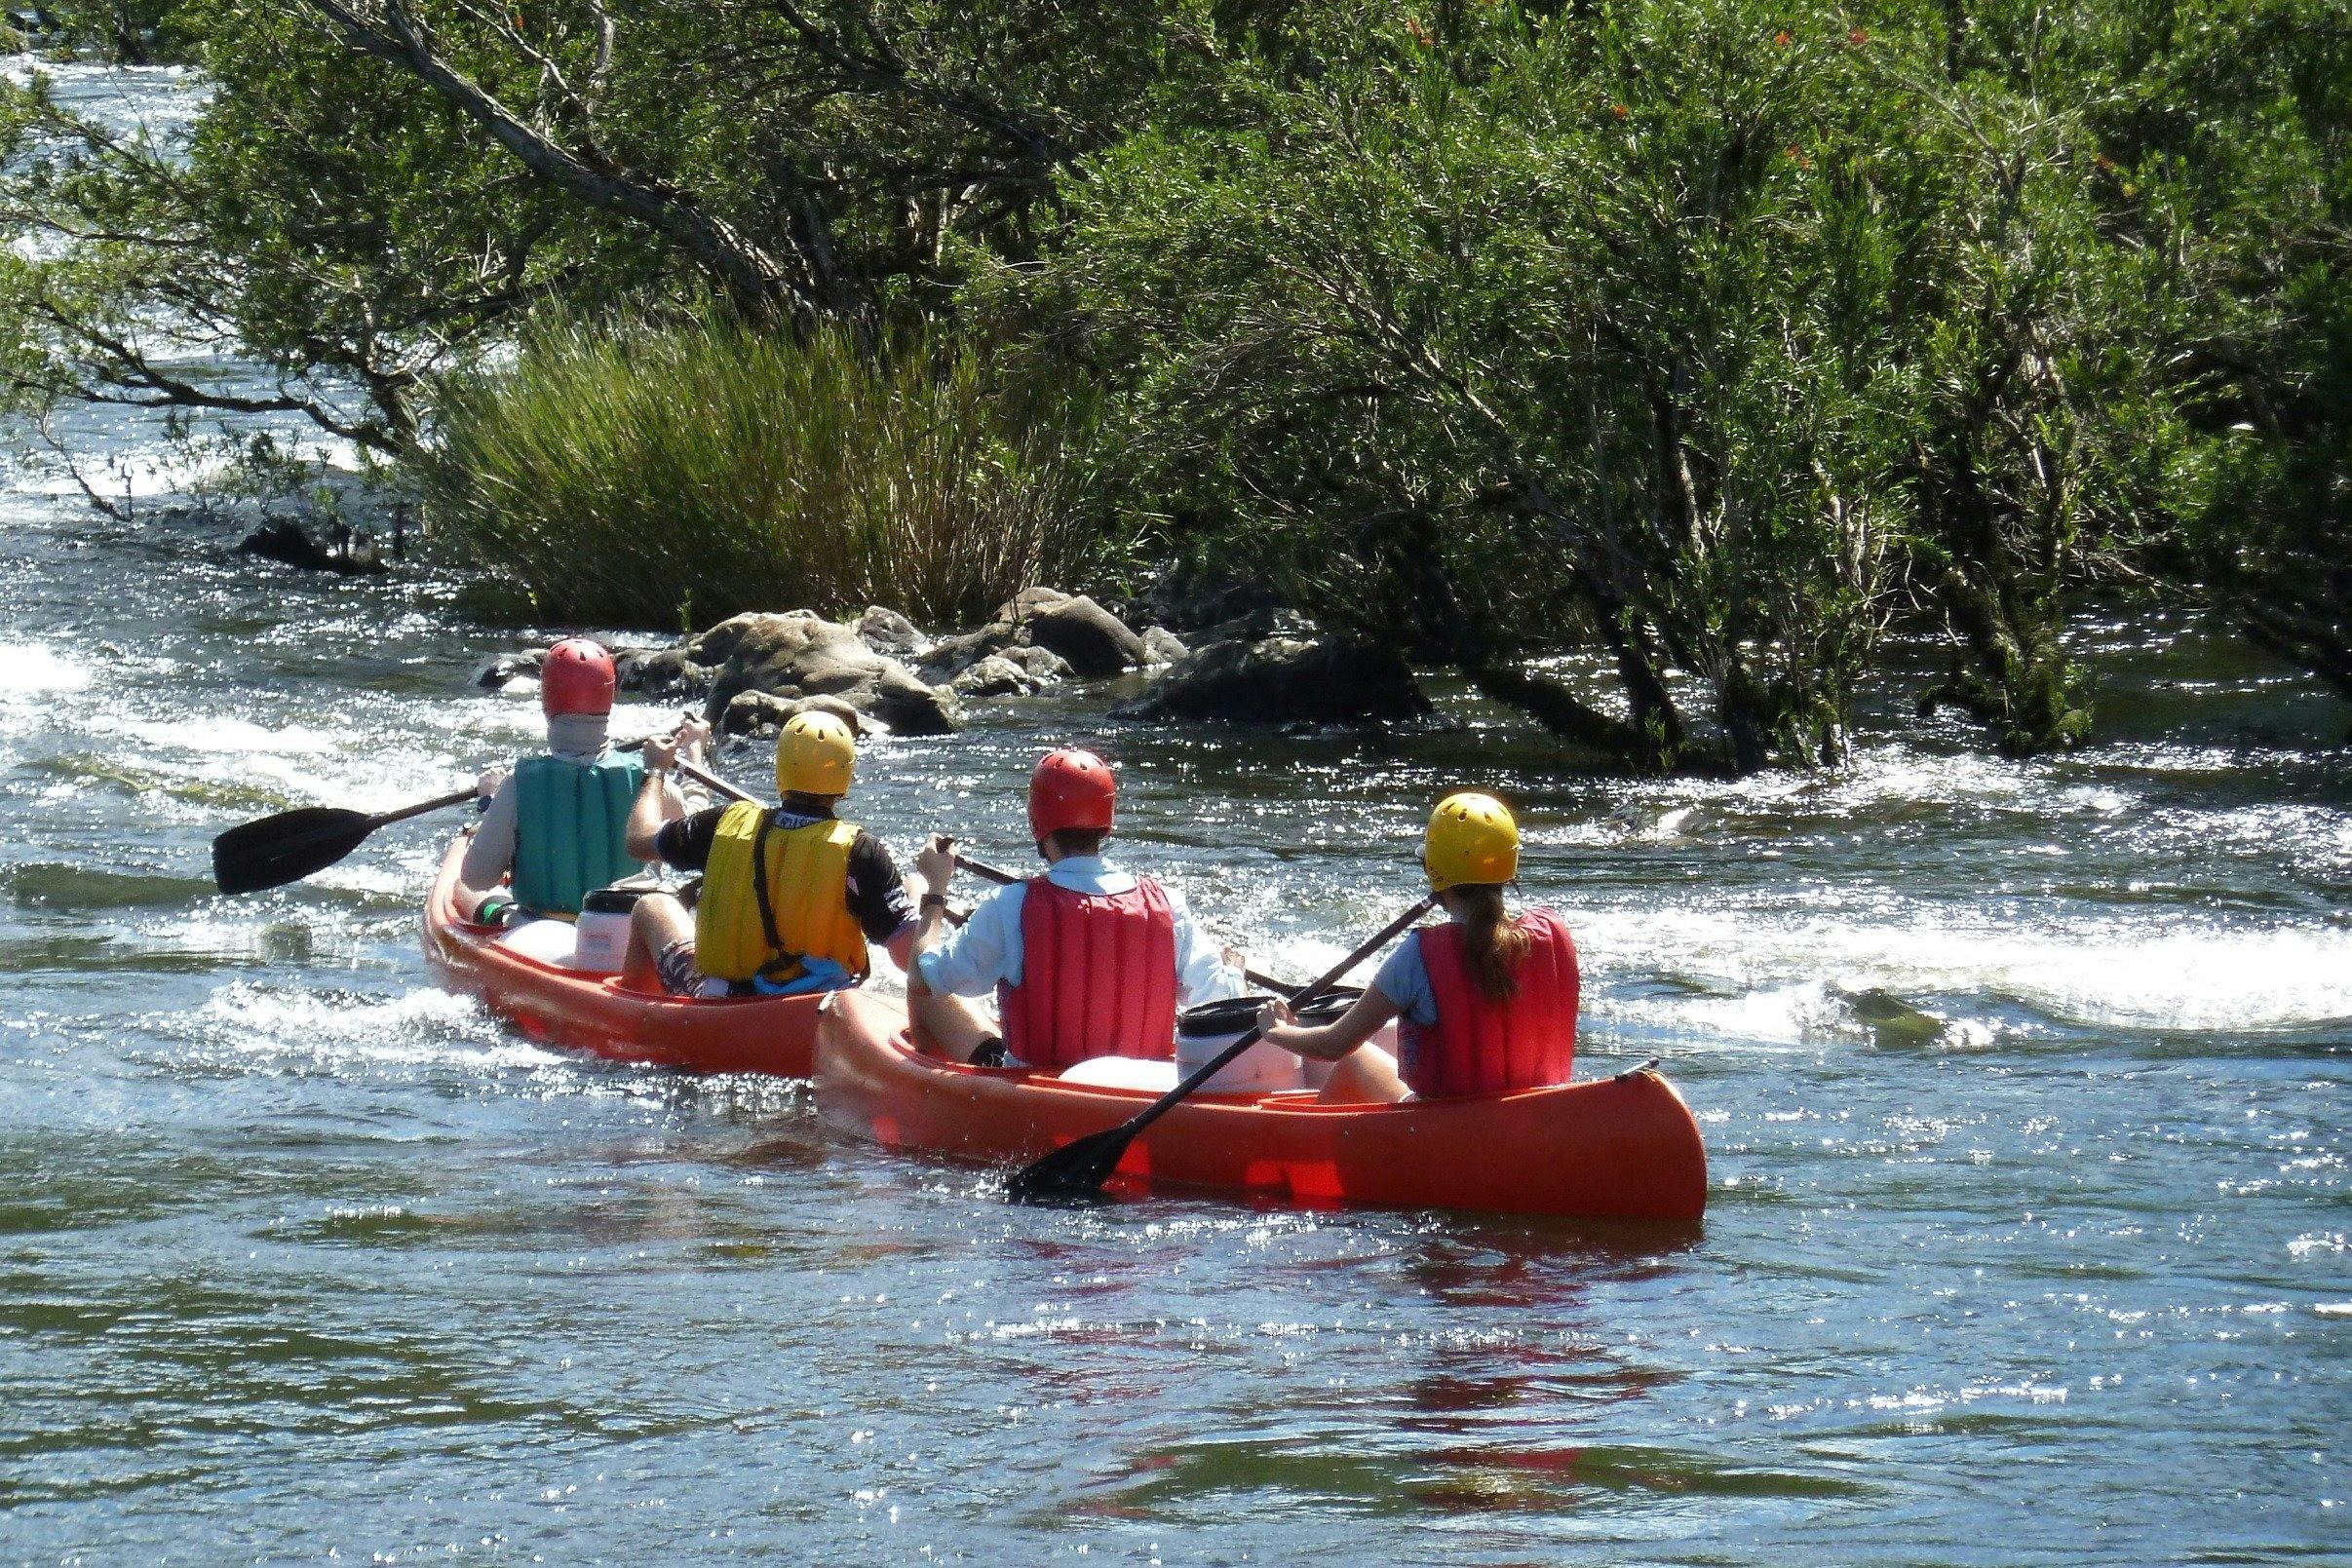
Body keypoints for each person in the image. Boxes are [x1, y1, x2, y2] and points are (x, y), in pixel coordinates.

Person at [906, 746, 1244, 1068]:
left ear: (1035, 821)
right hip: (1146, 1094)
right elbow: (1226, 1006)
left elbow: (926, 978)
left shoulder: (1012, 905)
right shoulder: (1169, 905)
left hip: (1037, 1098)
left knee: (930, 990)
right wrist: (1234, 973)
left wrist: (935, 893)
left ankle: (919, 1079)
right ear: (1106, 821)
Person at [1257, 791, 1579, 1103]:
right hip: (1537, 1124)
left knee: (1355, 1059)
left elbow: (1333, 1045)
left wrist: (1276, 1031)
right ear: (1510, 867)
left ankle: (1309, 1155)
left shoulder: (1418, 955)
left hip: (1443, 1133)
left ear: (1433, 870)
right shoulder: (1553, 935)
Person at [620, 709, 915, 997]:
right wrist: (926, 900)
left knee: (652, 906)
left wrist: (656, 770)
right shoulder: (862, 851)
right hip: (819, 1005)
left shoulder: (725, 824)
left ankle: (636, 1020)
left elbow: (638, 840)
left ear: (780, 768)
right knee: (915, 889)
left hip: (722, 999)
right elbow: (910, 960)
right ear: (845, 775)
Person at [456, 638, 648, 925]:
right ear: (609, 698)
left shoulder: (520, 782)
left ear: (548, 702)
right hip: (628, 933)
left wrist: (490, 801)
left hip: (541, 931)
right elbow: (684, 838)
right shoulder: (649, 777)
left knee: (460, 889)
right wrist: (694, 754)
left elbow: (476, 877)